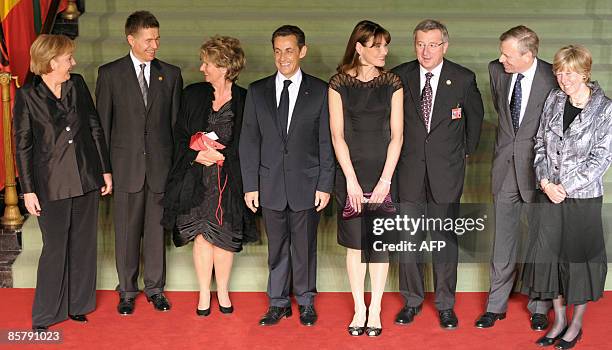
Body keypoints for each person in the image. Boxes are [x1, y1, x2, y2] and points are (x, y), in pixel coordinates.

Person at [13, 34, 112, 331]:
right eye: (68, 57)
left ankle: (78, 305)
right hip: (50, 184)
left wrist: (104, 170)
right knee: (55, 247)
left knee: (83, 244)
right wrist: (27, 189)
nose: (74, 62)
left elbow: (94, 126)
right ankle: (46, 314)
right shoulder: (28, 94)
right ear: (51, 61)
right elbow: (23, 144)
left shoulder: (77, 83)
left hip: (86, 177)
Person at [239, 25, 334, 327]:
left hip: (307, 183)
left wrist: (325, 184)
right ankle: (278, 302)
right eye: (278, 51)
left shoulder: (320, 91)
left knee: (304, 246)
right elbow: (249, 140)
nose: (283, 57)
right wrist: (250, 185)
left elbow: (326, 141)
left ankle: (305, 301)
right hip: (269, 184)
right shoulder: (257, 91)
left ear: (302, 51)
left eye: (289, 50)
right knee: (277, 247)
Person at [392, 19, 484, 329]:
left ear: (445, 46)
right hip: (408, 171)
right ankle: (412, 301)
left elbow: (475, 121)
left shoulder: (463, 78)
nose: (426, 50)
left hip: (447, 173)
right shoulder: (400, 76)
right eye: (420, 43)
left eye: (433, 44)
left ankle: (446, 304)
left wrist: (461, 155)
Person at [522, 45, 611, 349]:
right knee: (550, 259)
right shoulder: (554, 99)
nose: (563, 78)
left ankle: (575, 325)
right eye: (559, 72)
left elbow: (600, 160)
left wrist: (565, 187)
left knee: (578, 262)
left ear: (585, 72)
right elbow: (539, 145)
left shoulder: (605, 109)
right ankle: (558, 319)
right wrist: (546, 182)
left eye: (570, 72)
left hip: (581, 199)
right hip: (550, 194)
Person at [161, 35, 257, 316]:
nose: (202, 68)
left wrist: (225, 157)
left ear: (225, 67)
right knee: (202, 236)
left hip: (229, 180)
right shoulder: (193, 94)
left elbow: (250, 142)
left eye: (208, 63)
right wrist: (197, 154)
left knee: (225, 236)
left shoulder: (245, 100)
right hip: (195, 180)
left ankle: (223, 291)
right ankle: (205, 293)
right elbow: (178, 136)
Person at [96, 10, 183, 315]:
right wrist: (105, 170)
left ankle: (156, 289)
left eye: (157, 38)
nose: (155, 45)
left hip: (160, 170)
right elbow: (101, 128)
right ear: (131, 39)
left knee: (157, 233)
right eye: (148, 40)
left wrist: (175, 171)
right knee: (126, 232)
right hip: (125, 169)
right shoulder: (109, 74)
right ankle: (127, 291)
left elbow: (175, 127)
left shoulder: (171, 75)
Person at [475, 25, 556, 330]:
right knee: (503, 240)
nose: (501, 58)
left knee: (540, 240)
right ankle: (496, 305)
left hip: (539, 171)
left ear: (528, 55)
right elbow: (505, 118)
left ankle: (539, 306)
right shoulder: (497, 71)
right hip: (503, 168)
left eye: (508, 54)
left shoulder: (552, 77)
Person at [328, 20, 403, 337]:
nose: (384, 51)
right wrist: (351, 181)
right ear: (359, 48)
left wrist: (385, 181)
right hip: (350, 176)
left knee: (380, 244)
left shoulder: (393, 83)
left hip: (384, 174)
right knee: (357, 246)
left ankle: (376, 310)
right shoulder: (338, 83)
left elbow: (397, 136)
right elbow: (337, 135)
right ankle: (359, 307)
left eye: (385, 45)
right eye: (377, 46)